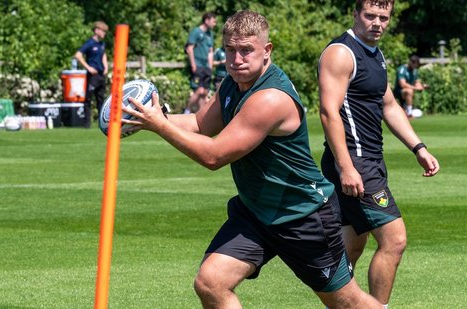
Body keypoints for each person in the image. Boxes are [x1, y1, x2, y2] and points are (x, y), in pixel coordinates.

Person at [123, 10, 382, 308]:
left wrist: (160, 125)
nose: (236, 59)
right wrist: (149, 117)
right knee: (211, 283)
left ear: (267, 50)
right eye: (230, 50)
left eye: (246, 50)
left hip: (301, 215)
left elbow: (213, 156)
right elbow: (199, 124)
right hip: (257, 212)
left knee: (346, 302)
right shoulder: (232, 83)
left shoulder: (270, 98)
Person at [318, 1, 440, 308]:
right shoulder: (341, 53)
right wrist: (346, 167)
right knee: (394, 240)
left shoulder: (375, 54)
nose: (377, 23)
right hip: (354, 161)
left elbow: (388, 105)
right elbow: (328, 112)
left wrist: (418, 147)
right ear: (355, 14)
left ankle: (343, 302)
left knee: (352, 246)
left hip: (369, 160)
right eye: (370, 16)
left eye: (383, 17)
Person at [75, 21, 109, 128]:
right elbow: (78, 55)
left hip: (101, 75)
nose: (104, 34)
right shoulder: (90, 43)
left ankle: (101, 123)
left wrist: (106, 66)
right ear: (97, 31)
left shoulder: (102, 44)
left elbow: (103, 55)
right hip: (92, 76)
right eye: (103, 31)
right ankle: (86, 124)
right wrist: (88, 68)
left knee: (101, 99)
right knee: (88, 99)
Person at [184, 12, 216, 114]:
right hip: (197, 65)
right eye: (213, 21)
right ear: (206, 20)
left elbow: (210, 52)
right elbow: (189, 48)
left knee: (205, 92)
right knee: (199, 91)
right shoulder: (196, 32)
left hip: (206, 67)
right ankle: (186, 111)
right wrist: (193, 64)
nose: (215, 24)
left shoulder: (210, 34)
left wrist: (210, 67)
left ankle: (202, 115)